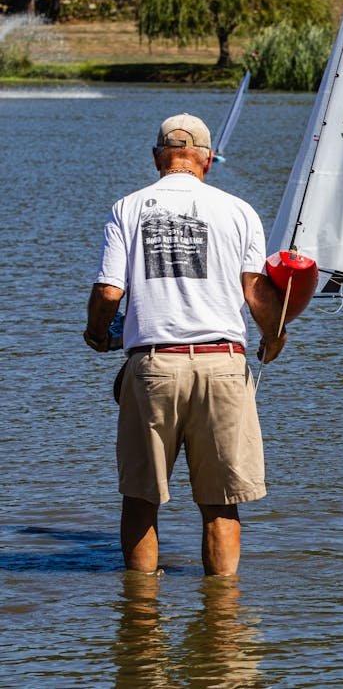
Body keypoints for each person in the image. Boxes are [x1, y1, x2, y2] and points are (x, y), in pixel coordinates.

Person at [84, 112, 286, 576]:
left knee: (141, 499)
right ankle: (223, 625)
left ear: (157, 158)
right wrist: (275, 336)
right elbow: (256, 290)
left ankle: (141, 621)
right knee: (221, 504)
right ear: (207, 160)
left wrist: (97, 334)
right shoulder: (239, 211)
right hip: (223, 366)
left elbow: (109, 292)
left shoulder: (128, 207)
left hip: (153, 366)